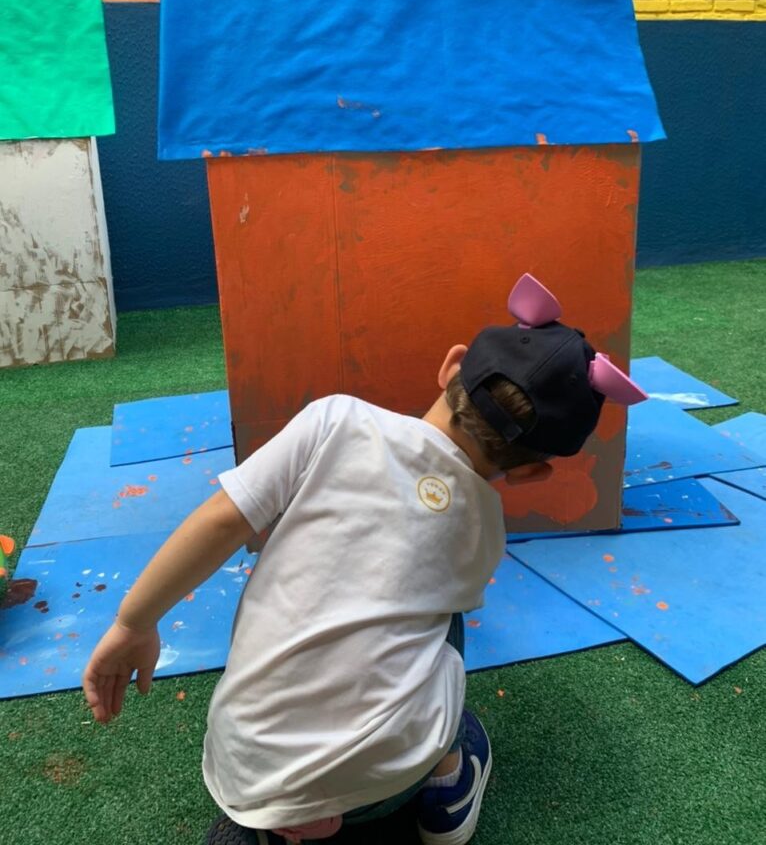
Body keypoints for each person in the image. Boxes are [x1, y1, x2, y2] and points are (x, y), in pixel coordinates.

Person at [82, 275, 645, 845]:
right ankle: (447, 781)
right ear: (532, 472)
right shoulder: (486, 529)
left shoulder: (335, 421)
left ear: (451, 366)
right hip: (385, 781)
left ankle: (274, 824)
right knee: (445, 616)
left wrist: (133, 623)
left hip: (245, 760)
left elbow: (224, 519)